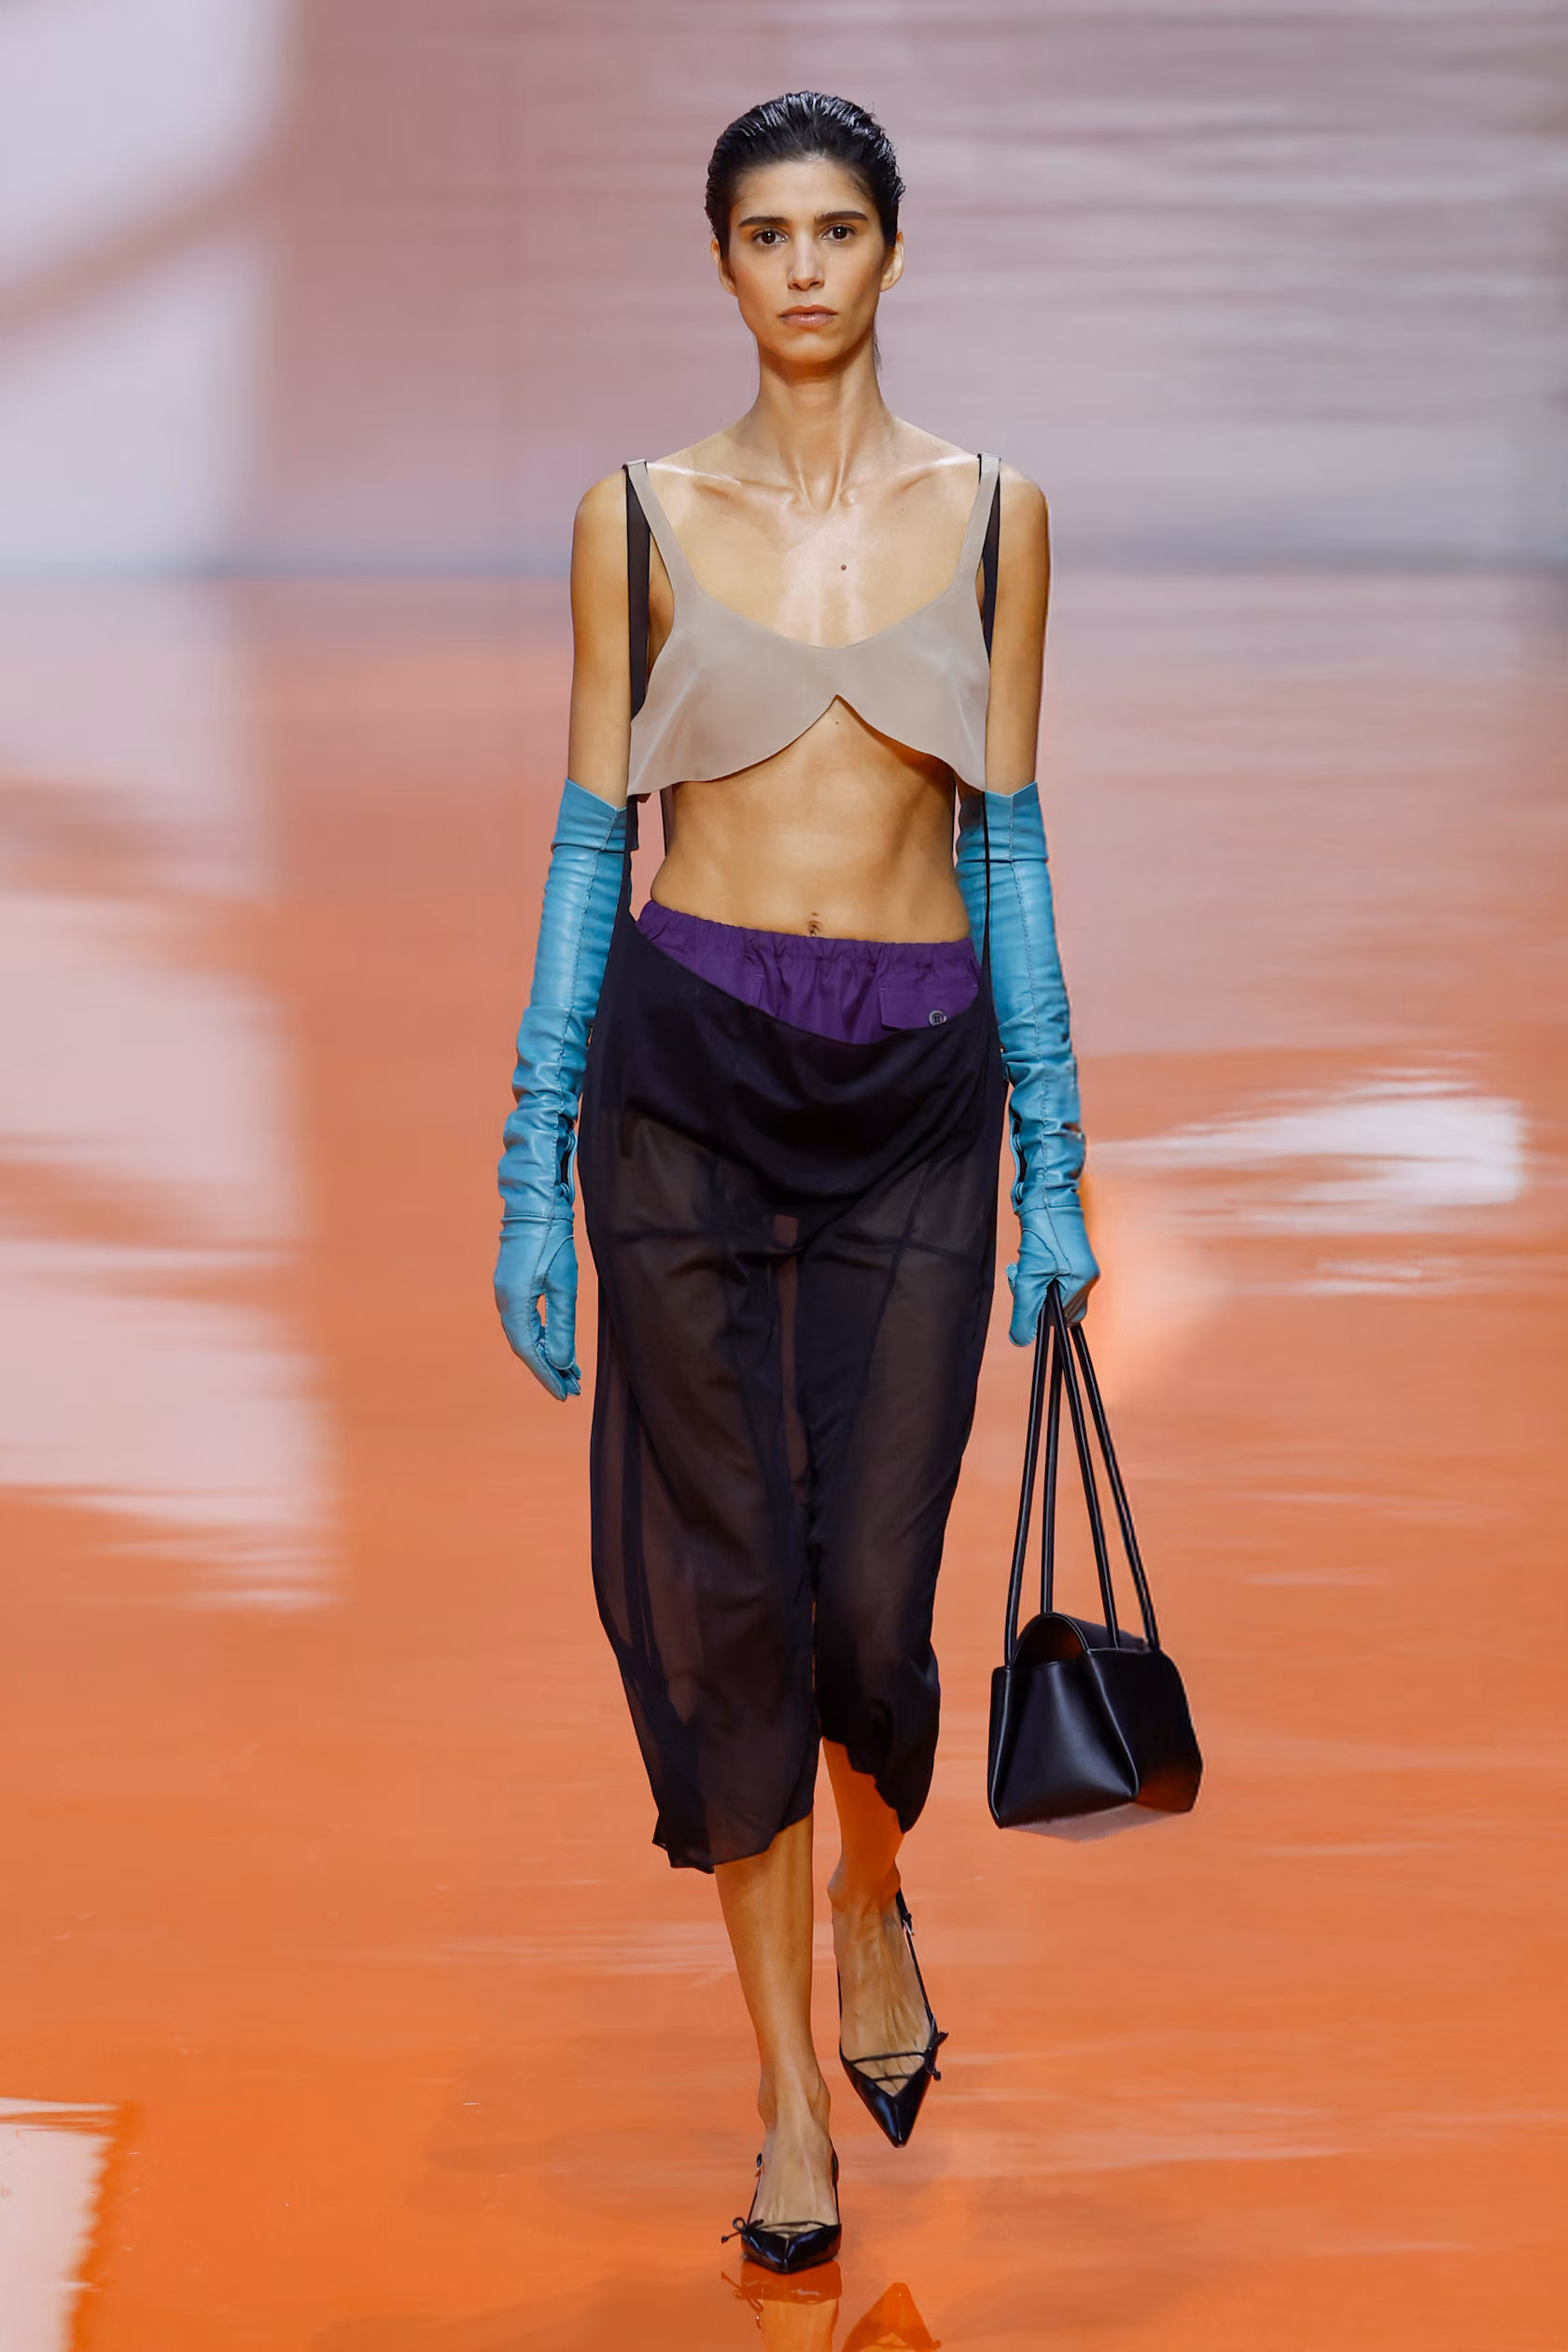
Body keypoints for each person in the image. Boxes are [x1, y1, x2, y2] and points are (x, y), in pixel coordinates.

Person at [494, 91, 1096, 2274]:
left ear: (892, 252)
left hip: (916, 1099)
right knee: (731, 1603)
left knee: (868, 1606)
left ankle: (874, 1892)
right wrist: (527, 1158)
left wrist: (1059, 1154)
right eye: (768, 234)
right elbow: (594, 844)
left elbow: (1007, 844)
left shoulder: (1000, 516)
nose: (806, 269)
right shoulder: (635, 518)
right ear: (723, 262)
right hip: (680, 1095)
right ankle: (783, 2110)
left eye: (839, 230)